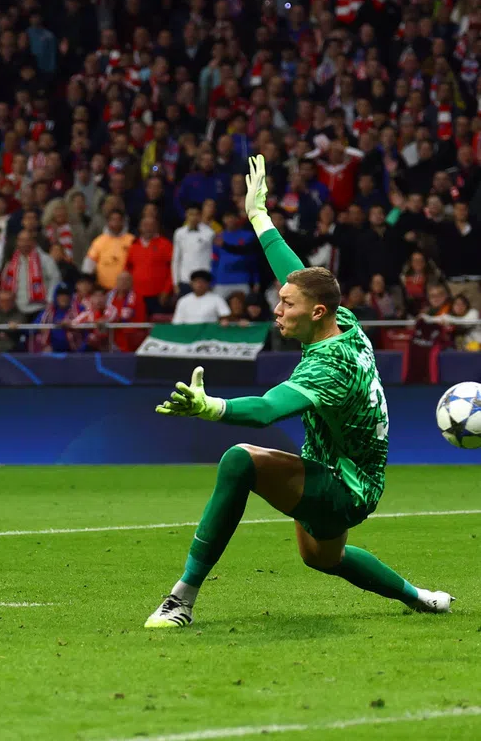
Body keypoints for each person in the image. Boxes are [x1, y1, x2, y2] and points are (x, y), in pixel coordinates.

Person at [146, 156, 452, 628]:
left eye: (286, 305)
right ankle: (420, 599)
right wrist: (259, 216)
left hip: (343, 482)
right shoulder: (341, 322)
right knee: (322, 557)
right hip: (350, 475)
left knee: (239, 460)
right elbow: (298, 276)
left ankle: (181, 599)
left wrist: (211, 407)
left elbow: (269, 409)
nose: (277, 310)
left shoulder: (330, 364)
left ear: (314, 313)